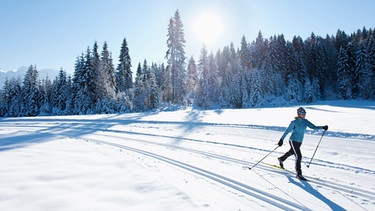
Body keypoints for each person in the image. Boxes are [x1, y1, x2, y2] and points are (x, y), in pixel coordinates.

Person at [277, 107, 328, 180]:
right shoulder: (294, 122)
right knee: (298, 155)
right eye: (303, 113)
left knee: (292, 152)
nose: (304, 115)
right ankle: (299, 174)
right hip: (293, 140)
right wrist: (281, 139)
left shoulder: (305, 121)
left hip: (299, 141)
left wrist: (322, 127)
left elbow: (313, 127)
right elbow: (287, 131)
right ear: (299, 114)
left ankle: (281, 159)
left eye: (305, 113)